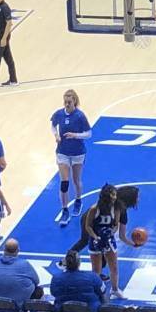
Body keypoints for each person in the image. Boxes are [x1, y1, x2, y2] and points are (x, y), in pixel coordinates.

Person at [50, 87, 91, 225]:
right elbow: (53, 125)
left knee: (76, 180)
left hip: (78, 152)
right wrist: (56, 135)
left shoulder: (80, 116)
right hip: (62, 152)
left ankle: (78, 200)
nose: (67, 104)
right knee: (64, 182)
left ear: (74, 102)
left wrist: (75, 135)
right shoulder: (59, 114)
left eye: (69, 102)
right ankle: (65, 210)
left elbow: (89, 133)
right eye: (65, 101)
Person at [0, 236, 43, 310]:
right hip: (15, 309)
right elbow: (36, 281)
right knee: (38, 290)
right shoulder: (25, 264)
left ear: (3, 249)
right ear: (18, 250)